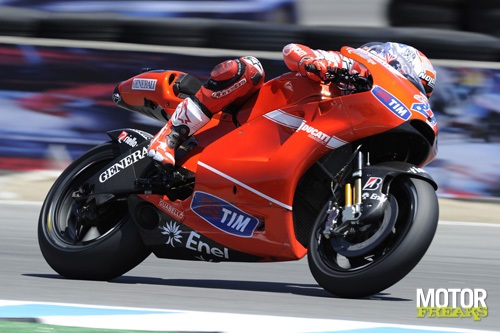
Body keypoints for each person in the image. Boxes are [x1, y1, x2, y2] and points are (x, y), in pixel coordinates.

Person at [147, 42, 437, 168]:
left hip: (286, 144)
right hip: (243, 116)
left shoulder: (365, 113)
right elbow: (292, 50)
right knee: (248, 69)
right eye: (411, 82)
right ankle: (169, 138)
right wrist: (312, 62)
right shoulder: (350, 67)